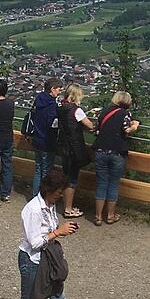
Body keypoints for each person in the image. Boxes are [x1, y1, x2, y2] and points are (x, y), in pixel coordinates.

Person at [3, 170, 91, 299]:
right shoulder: (33, 210)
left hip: (48, 258)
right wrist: (59, 232)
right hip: (32, 260)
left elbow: (49, 230)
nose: (61, 195)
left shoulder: (49, 205)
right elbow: (34, 242)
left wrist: (61, 229)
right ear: (50, 190)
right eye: (59, 192)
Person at [92, 91, 140, 226]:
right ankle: (110, 215)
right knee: (113, 184)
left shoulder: (104, 112)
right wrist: (135, 125)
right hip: (117, 152)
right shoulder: (125, 113)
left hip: (100, 150)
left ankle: (98, 216)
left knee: (101, 183)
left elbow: (96, 130)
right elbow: (126, 130)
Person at [57, 83, 96, 218]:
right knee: (72, 179)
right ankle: (68, 209)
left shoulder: (61, 108)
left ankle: (66, 205)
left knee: (67, 175)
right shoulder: (76, 110)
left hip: (64, 147)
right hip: (74, 148)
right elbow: (90, 125)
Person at [30, 78, 63, 196]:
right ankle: (43, 196)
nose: (59, 92)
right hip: (47, 141)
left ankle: (35, 195)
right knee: (46, 171)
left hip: (37, 139)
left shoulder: (38, 99)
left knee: (38, 169)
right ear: (52, 89)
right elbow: (53, 124)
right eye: (59, 89)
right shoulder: (52, 105)